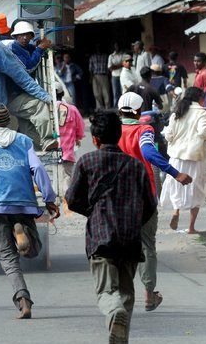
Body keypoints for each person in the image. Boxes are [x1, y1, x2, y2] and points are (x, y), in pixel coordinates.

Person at [66, 111, 156, 343]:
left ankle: (115, 314)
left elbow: (72, 199)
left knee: (108, 293)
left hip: (101, 237)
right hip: (130, 239)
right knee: (126, 293)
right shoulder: (136, 166)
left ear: (95, 140)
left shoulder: (87, 162)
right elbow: (150, 205)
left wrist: (95, 213)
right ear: (118, 136)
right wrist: (133, 221)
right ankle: (119, 337)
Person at [0, 103, 58, 319]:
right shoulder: (24, 141)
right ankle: (21, 232)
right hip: (23, 202)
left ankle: (23, 300)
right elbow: (38, 169)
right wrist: (49, 198)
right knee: (34, 251)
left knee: (8, 258)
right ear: (8, 121)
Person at [117, 91, 192, 312]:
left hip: (118, 198)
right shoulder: (144, 129)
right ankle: (149, 295)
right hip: (143, 196)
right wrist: (174, 172)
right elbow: (148, 152)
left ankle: (121, 294)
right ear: (139, 111)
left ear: (119, 110)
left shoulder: (112, 131)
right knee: (147, 245)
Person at [160, 87, 206, 233]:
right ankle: (191, 227)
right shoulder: (202, 112)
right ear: (200, 98)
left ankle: (176, 212)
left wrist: (174, 142)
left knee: (177, 186)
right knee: (197, 189)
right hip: (196, 157)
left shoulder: (178, 111)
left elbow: (168, 134)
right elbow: (203, 131)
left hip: (176, 156)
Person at [55, 82, 85, 196]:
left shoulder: (47, 108)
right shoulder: (72, 109)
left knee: (57, 173)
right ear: (62, 93)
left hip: (51, 149)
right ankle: (68, 195)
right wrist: (77, 138)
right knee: (68, 174)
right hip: (67, 150)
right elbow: (81, 127)